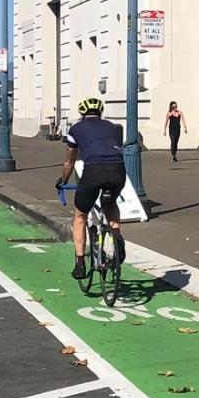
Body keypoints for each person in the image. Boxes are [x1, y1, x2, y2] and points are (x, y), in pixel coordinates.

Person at [55, 98, 126, 280]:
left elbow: (69, 161)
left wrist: (63, 180)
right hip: (118, 169)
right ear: (100, 113)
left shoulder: (76, 129)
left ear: (82, 114)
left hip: (94, 171)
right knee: (110, 204)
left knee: (80, 216)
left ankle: (80, 264)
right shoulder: (111, 126)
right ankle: (116, 235)